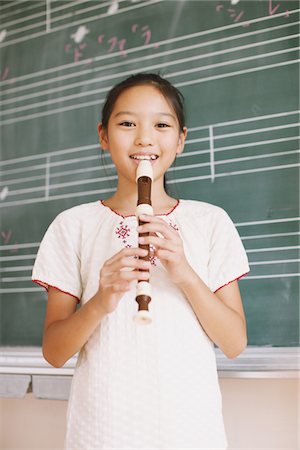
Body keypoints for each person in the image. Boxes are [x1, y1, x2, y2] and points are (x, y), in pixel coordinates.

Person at [32, 73, 250, 449]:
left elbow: (234, 343)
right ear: (104, 136)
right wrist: (102, 299)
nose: (144, 139)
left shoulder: (210, 222)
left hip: (189, 429)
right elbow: (54, 351)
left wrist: (184, 274)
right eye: (127, 123)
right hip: (102, 429)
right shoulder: (73, 225)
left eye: (162, 125)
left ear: (180, 140)